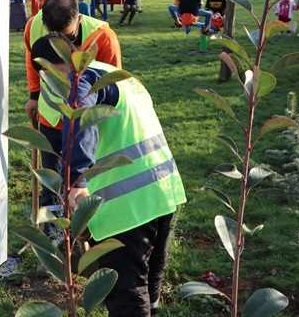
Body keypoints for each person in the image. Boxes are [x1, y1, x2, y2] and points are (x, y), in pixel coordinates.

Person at [30, 33, 187, 317]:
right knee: (149, 275)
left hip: (127, 204)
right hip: (163, 187)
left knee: (125, 290)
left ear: (48, 71)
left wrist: (76, 179)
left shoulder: (83, 82)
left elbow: (81, 113)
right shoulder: (113, 72)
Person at [24, 0, 121, 214]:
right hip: (51, 118)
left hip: (87, 127)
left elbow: (113, 81)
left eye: (66, 36)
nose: (59, 42)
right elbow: (32, 61)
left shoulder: (103, 36)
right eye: (52, 34)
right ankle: (54, 239)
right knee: (52, 185)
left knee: (85, 184)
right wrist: (33, 95)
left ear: (79, 18)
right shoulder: (32, 26)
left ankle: (86, 235)